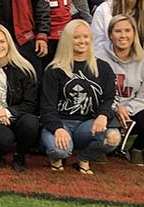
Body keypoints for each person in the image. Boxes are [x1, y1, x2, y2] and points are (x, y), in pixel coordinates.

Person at [39, 20, 120, 174]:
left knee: (112, 137)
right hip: (61, 121)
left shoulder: (103, 68)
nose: (82, 41)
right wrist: (57, 128)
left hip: (88, 124)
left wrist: (104, 115)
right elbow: (46, 106)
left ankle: (84, 159)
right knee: (59, 151)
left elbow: (111, 98)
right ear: (67, 40)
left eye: (85, 36)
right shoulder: (54, 70)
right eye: (76, 37)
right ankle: (56, 158)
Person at [0, 22, 39, 172]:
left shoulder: (25, 69)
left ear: (9, 43)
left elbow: (31, 104)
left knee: (31, 123)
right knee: (3, 140)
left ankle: (20, 155)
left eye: (1, 41)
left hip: (17, 115)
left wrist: (5, 112)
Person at [104, 14, 144, 163]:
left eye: (127, 30)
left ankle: (137, 148)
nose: (123, 35)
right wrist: (115, 107)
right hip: (105, 108)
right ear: (110, 35)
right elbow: (95, 91)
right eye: (118, 31)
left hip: (133, 109)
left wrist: (127, 110)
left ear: (134, 34)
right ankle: (102, 148)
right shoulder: (98, 57)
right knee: (109, 139)